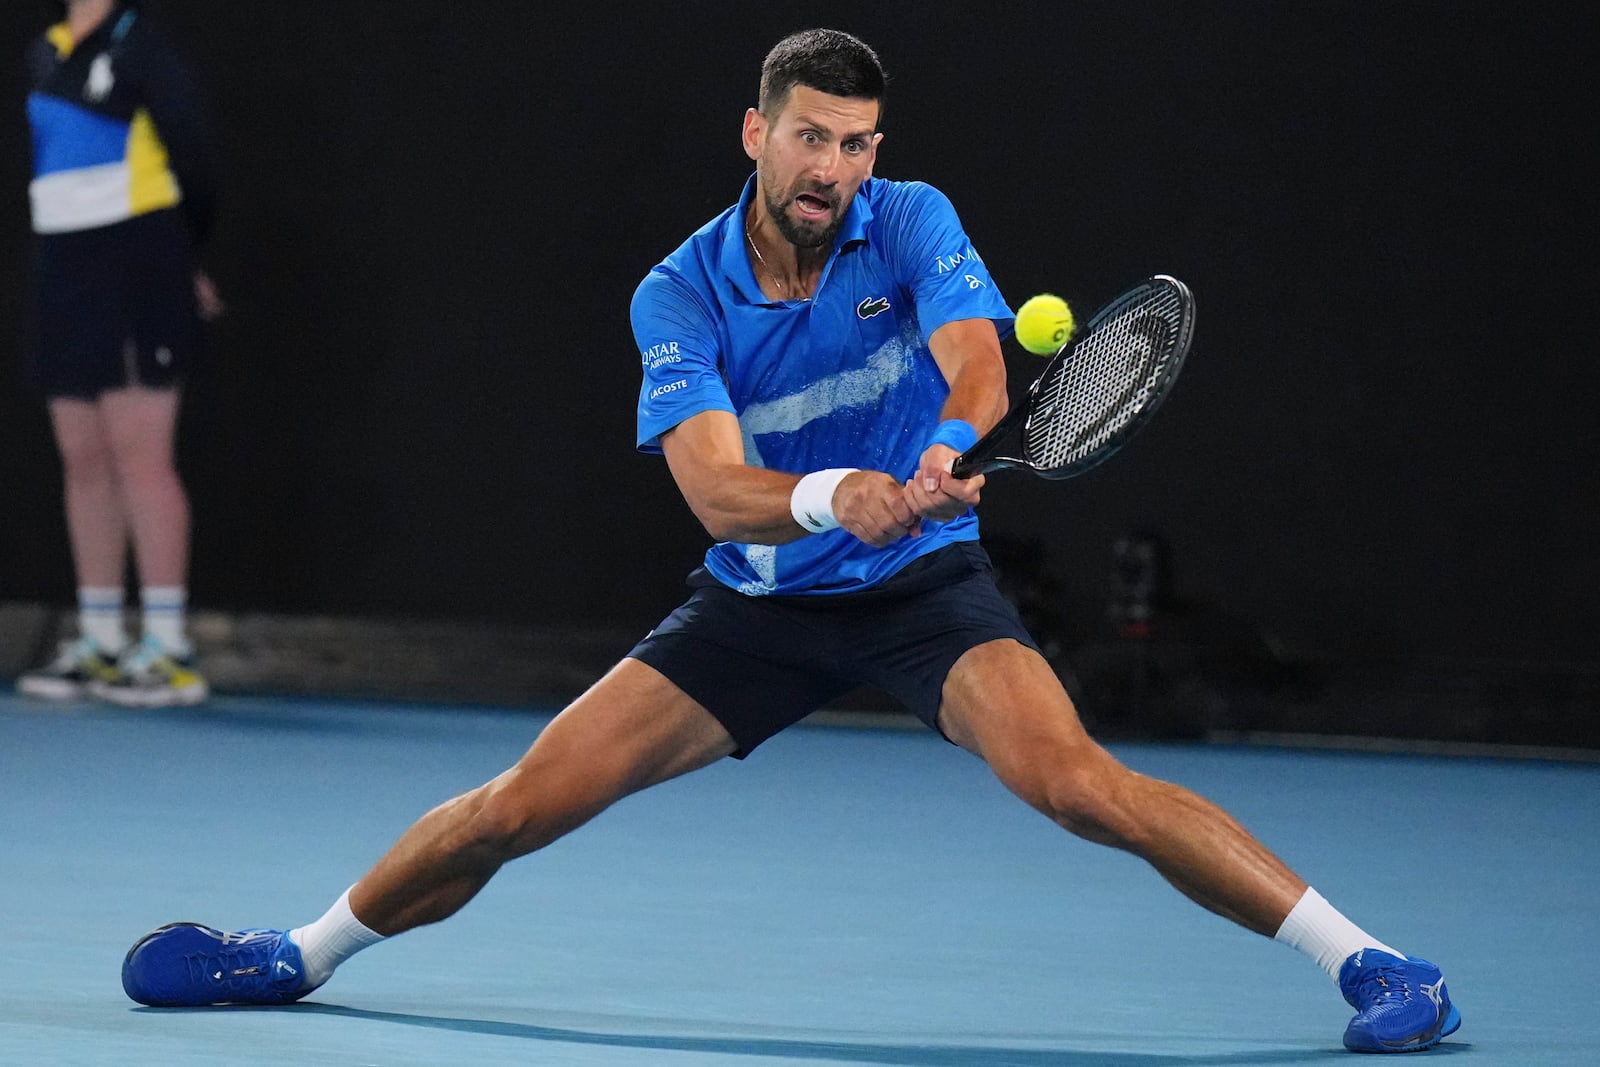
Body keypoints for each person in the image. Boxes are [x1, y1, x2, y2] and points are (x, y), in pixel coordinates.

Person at [119, 29, 1460, 1053]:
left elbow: (983, 375)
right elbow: (713, 489)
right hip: (755, 606)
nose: (836, 170)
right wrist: (830, 496)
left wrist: (943, 451)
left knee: (1076, 782)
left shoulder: (913, 218)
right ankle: (294, 952)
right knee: (518, 805)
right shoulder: (679, 290)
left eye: (859, 143)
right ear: (755, 132)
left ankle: (1375, 962)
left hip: (922, 590)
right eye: (813, 139)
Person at [15, 0, 220, 708]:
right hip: (63, 269)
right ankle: (101, 640)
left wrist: (178, 259)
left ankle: (168, 647)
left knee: (141, 456)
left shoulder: (140, 49)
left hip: (137, 259)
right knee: (83, 455)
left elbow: (193, 155)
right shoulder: (44, 51)